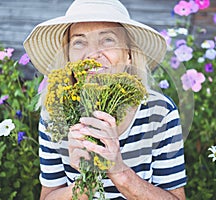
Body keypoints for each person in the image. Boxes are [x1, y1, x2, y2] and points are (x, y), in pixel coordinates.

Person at [24, 0, 187, 199]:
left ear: (128, 54)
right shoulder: (54, 114)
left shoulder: (159, 112)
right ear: (68, 57)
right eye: (79, 42)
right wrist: (85, 181)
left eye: (107, 40)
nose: (92, 54)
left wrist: (118, 171)